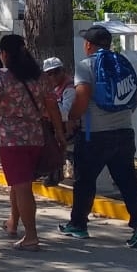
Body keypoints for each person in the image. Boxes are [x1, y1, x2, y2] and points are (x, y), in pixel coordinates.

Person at [0, 34, 66, 251]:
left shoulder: (2, 77)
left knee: (22, 188)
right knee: (20, 184)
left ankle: (31, 236)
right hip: (36, 138)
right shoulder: (39, 76)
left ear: (4, 54)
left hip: (12, 141)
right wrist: (59, 133)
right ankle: (13, 223)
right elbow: (52, 106)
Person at [60, 25, 137, 248]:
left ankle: (79, 224)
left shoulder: (85, 66)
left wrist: (72, 116)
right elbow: (134, 97)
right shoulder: (122, 63)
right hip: (124, 132)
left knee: (84, 181)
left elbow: (82, 98)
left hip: (95, 135)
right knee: (128, 181)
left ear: (89, 45)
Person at [39, 57, 76, 187]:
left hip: (70, 128)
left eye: (56, 72)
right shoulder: (51, 89)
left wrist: (50, 107)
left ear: (63, 71)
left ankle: (55, 174)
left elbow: (66, 113)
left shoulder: (69, 88)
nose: (53, 76)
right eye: (49, 74)